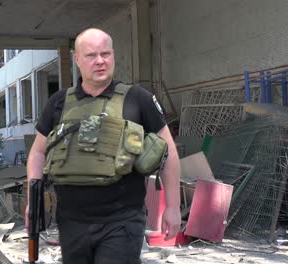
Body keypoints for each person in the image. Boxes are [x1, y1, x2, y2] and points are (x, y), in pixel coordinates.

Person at [26, 28, 181, 264]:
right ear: (77, 59)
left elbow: (168, 152)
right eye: (90, 55)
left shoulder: (137, 98)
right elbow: (37, 152)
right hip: (71, 222)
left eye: (105, 54)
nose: (100, 61)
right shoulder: (58, 102)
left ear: (113, 56)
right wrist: (33, 200)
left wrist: (173, 207)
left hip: (122, 221)